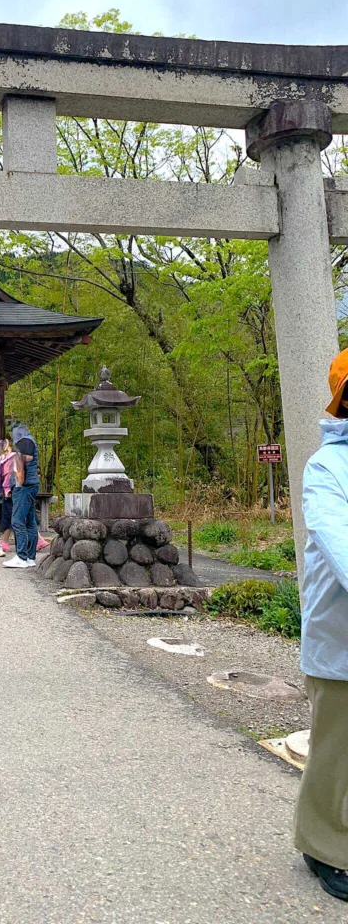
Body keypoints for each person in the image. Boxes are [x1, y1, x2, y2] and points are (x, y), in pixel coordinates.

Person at [296, 348, 348, 902]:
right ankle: (323, 845)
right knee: (337, 749)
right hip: (342, 635)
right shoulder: (326, 468)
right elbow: (339, 545)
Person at [3, 423, 40, 569]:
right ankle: (30, 557)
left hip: (24, 486)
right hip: (31, 484)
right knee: (30, 522)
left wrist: (15, 459)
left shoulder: (25, 441)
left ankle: (21, 556)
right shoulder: (29, 440)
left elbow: (26, 459)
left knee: (18, 520)